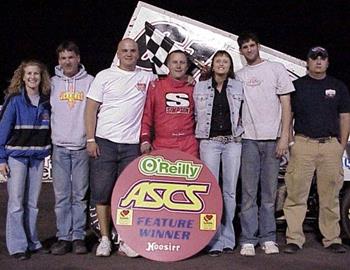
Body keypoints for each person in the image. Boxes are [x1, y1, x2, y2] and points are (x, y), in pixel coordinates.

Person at [85, 38, 156, 257]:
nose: (128, 54)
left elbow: (171, 81)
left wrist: (191, 77)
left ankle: (126, 238)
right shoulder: (104, 76)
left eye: (132, 50)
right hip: (104, 143)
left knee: (128, 196)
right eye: (124, 50)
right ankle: (105, 239)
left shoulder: (147, 76)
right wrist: (90, 140)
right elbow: (90, 109)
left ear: (138, 54)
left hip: (131, 146)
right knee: (102, 193)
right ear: (118, 53)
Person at [283, 46, 350, 254]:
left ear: (328, 62)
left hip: (330, 146)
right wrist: (291, 142)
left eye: (322, 58)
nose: (318, 61)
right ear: (307, 62)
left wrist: (341, 145)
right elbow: (288, 116)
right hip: (303, 145)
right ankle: (294, 238)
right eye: (314, 58)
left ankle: (332, 238)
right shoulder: (296, 86)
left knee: (330, 196)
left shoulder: (338, 87)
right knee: (296, 194)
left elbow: (345, 117)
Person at [236, 32, 295, 256]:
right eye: (245, 47)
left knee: (269, 194)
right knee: (249, 193)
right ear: (241, 51)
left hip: (273, 140)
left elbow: (286, 103)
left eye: (252, 45)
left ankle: (268, 238)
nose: (249, 49)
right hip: (249, 140)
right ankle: (248, 239)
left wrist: (284, 136)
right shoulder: (239, 75)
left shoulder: (275, 68)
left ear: (258, 46)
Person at [194, 50, 243, 256]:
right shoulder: (200, 86)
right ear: (212, 65)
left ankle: (228, 238)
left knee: (230, 192)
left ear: (230, 66)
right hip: (209, 142)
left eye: (225, 61)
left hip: (232, 142)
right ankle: (212, 240)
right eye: (218, 61)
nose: (221, 64)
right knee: (211, 191)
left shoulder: (238, 87)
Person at [0, 59, 51, 260]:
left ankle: (33, 242)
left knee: (33, 204)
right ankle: (17, 246)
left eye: (36, 74)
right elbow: (2, 131)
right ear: (22, 77)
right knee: (16, 203)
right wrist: (1, 158)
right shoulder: (14, 100)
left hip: (37, 158)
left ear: (41, 77)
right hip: (16, 158)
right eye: (28, 74)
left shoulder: (47, 102)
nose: (32, 77)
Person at [50, 41, 94, 255]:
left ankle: (78, 236)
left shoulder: (90, 82)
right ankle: (63, 236)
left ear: (78, 58)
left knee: (79, 195)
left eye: (70, 57)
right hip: (59, 148)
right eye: (63, 58)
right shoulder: (51, 84)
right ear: (59, 61)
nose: (67, 61)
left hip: (81, 148)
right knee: (61, 196)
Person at [140, 50, 198, 157]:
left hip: (188, 146)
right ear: (168, 65)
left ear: (187, 66)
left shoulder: (194, 87)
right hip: (161, 145)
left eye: (182, 62)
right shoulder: (156, 86)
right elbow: (147, 116)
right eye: (174, 62)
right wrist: (145, 140)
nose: (178, 66)